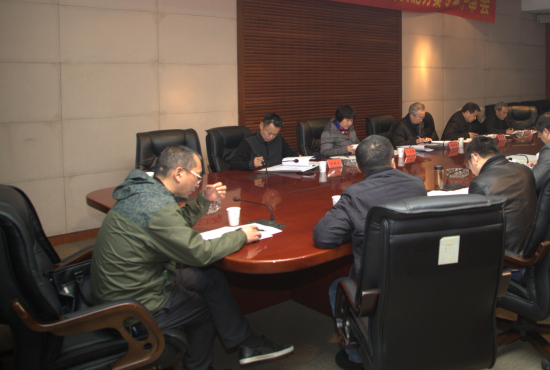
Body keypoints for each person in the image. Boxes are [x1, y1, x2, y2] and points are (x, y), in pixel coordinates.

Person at [91, 145, 292, 369]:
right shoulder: (157, 206)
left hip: (130, 282)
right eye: (197, 177)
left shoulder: (145, 191)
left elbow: (173, 225)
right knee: (202, 309)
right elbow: (199, 253)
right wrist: (240, 236)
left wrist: (204, 200)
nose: (199, 183)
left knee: (210, 278)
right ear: (178, 173)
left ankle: (247, 343)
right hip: (132, 306)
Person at [313, 135, 426, 370]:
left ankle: (358, 358)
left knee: (337, 287)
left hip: (375, 287)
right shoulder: (417, 184)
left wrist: (354, 226)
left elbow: (324, 236)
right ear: (393, 160)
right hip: (414, 277)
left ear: (359, 167)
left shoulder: (355, 194)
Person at [466, 136, 536, 254]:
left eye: (469, 164)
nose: (470, 168)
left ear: (474, 157)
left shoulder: (481, 183)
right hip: (532, 246)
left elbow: (477, 229)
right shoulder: (525, 170)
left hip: (506, 254)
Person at [229, 113, 298, 170]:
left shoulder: (278, 139)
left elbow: (291, 155)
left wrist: (298, 158)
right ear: (261, 125)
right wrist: (251, 164)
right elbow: (234, 164)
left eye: (275, 134)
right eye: (269, 133)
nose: (271, 137)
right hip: (255, 179)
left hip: (276, 177)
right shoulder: (249, 142)